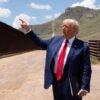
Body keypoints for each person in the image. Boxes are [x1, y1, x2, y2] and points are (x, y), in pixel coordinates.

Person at [19, 18, 92, 100]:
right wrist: (27, 29)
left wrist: (84, 87)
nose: (63, 28)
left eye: (66, 26)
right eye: (62, 26)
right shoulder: (55, 40)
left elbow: (86, 68)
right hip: (56, 81)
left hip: (73, 82)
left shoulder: (83, 46)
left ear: (74, 30)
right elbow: (41, 43)